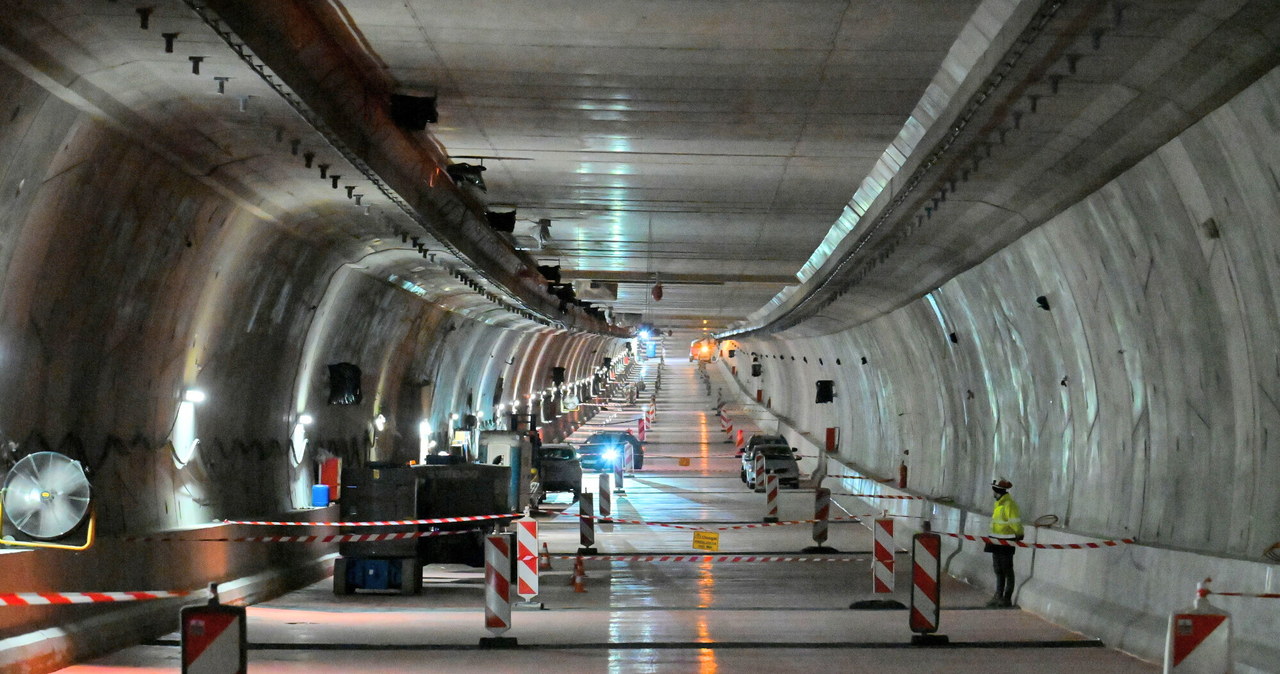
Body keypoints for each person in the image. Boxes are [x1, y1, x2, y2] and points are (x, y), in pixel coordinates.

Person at [985, 477, 1023, 607]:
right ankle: (998, 596)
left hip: (1006, 542)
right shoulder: (999, 504)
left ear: (997, 491)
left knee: (1007, 570)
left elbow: (1015, 522)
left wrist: (1019, 534)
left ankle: (1006, 598)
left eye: (993, 491)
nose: (992, 494)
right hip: (995, 541)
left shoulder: (1009, 505)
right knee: (998, 569)